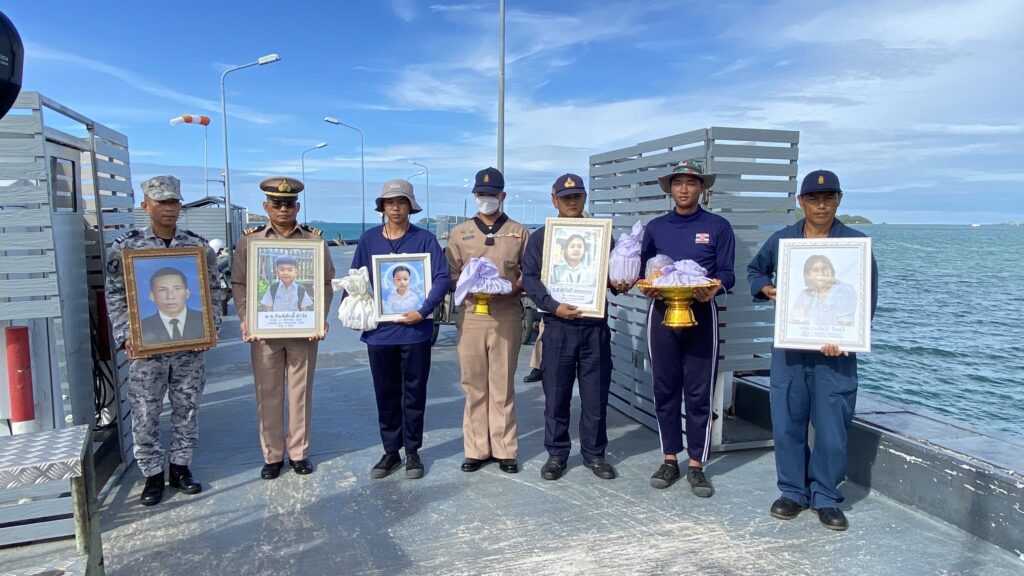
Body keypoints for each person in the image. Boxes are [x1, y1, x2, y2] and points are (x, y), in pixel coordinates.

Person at [746, 169, 878, 531]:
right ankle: (792, 491)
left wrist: (849, 338)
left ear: (839, 200)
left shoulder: (854, 245)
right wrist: (766, 289)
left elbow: (866, 298)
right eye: (813, 199)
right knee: (787, 422)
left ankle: (826, 496)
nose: (821, 205)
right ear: (801, 202)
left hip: (835, 356)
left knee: (833, 427)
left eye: (828, 198)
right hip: (790, 350)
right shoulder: (783, 240)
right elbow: (755, 271)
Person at [105, 175, 223, 506]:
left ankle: (181, 468)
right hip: (147, 349)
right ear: (146, 205)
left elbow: (214, 288)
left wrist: (209, 327)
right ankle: (152, 475)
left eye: (174, 202)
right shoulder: (126, 247)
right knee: (146, 411)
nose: (170, 208)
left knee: (187, 408)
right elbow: (115, 294)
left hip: (189, 346)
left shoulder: (197, 246)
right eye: (162, 202)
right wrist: (126, 335)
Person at [639, 159, 736, 498]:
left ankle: (697, 463)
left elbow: (728, 273)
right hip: (662, 315)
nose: (684, 189)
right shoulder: (655, 228)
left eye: (691, 183)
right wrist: (647, 286)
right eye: (678, 182)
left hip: (702, 315)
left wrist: (715, 287)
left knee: (698, 392)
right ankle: (669, 458)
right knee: (664, 388)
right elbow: (644, 272)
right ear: (670, 188)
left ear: (701, 188)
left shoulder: (718, 226)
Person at [522, 173, 626, 481]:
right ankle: (557, 454)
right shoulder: (542, 238)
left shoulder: (602, 236)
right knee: (556, 397)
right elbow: (530, 278)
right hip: (558, 327)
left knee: (595, 397)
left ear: (584, 198)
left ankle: (595, 454)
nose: (572, 202)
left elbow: (614, 275)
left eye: (577, 197)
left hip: (594, 328)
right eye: (565, 197)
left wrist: (621, 281)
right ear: (554, 200)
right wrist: (552, 305)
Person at [231, 177, 335, 480]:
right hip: (265, 333)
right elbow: (239, 283)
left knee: (300, 393)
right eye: (277, 204)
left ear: (297, 207)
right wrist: (246, 317)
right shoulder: (250, 241)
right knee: (268, 392)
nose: (283, 209)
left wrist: (320, 318)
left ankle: (299, 452)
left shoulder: (314, 241)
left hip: (303, 332)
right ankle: (272, 455)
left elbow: (325, 283)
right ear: (266, 206)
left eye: (289, 204)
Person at [347, 179, 450, 480]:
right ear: (382, 207)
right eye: (390, 203)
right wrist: (356, 305)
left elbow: (442, 277)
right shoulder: (368, 240)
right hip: (380, 333)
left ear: (410, 207)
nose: (395, 208)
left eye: (401, 202)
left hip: (415, 331)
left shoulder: (425, 240)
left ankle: (413, 450)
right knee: (386, 392)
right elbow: (356, 278)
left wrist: (423, 310)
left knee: (414, 392)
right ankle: (391, 450)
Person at [446, 167, 529, 474]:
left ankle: (505, 449)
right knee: (473, 384)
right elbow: (450, 274)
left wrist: (511, 287)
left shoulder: (519, 232)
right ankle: (476, 448)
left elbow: (528, 272)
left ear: (502, 196)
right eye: (481, 194)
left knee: (502, 384)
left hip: (506, 314)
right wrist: (468, 284)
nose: (486, 199)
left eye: (491, 194)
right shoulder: (460, 232)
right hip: (471, 316)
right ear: (474, 196)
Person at [139, 267, 207, 344]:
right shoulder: (141, 328)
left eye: (177, 288)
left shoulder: (204, 320)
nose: (170, 296)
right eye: (162, 290)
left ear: (187, 293)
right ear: (152, 296)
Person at [789, 255, 858, 326]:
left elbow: (845, 328)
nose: (821, 273)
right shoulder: (804, 295)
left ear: (831, 271)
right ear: (808, 274)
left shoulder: (845, 291)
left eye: (825, 268)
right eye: (815, 269)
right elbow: (794, 323)